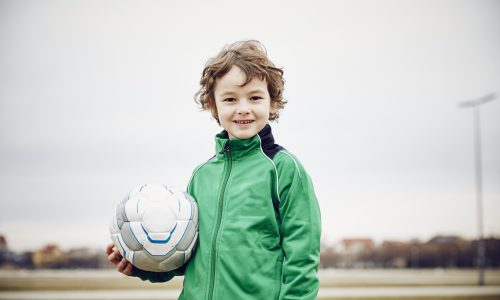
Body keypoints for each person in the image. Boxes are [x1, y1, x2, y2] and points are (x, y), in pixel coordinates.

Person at [106, 40, 321, 300]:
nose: (243, 108)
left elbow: (302, 259)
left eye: (255, 97)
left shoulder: (284, 169)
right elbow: (189, 257)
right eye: (230, 99)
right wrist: (141, 265)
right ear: (213, 106)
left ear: (272, 102)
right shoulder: (202, 176)